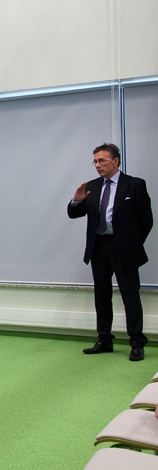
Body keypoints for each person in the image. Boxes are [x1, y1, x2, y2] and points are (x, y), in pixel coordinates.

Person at [67, 143, 153, 361]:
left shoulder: (134, 185)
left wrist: (132, 244)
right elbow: (74, 214)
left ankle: (137, 343)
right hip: (99, 247)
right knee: (102, 295)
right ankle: (104, 340)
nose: (98, 165)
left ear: (115, 161)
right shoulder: (92, 186)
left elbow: (146, 220)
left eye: (102, 160)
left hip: (125, 248)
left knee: (130, 296)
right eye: (95, 161)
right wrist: (76, 200)